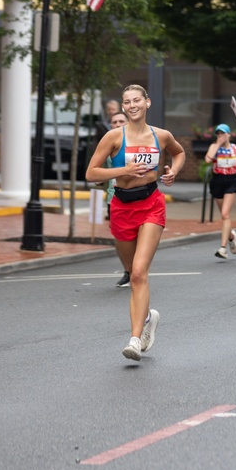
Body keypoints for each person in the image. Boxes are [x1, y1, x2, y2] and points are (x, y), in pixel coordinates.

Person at [85, 84, 185, 362]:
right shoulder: (113, 137)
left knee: (140, 273)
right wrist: (125, 170)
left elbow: (178, 153)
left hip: (152, 204)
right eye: (127, 101)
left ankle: (134, 339)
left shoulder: (161, 136)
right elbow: (92, 173)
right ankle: (149, 318)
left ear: (147, 103)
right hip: (121, 206)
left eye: (137, 100)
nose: (132, 105)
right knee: (132, 272)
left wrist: (172, 172)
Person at [205, 123, 236, 260]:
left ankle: (223, 248)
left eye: (223, 133)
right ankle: (231, 237)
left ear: (229, 134)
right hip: (217, 181)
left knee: (225, 214)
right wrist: (217, 144)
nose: (220, 136)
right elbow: (208, 159)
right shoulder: (214, 147)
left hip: (231, 182)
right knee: (224, 216)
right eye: (218, 134)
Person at [101, 110, 131, 288]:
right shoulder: (108, 144)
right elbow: (100, 169)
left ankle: (137, 269)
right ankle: (128, 270)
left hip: (135, 195)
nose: (118, 124)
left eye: (121, 121)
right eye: (114, 122)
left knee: (134, 236)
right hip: (113, 197)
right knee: (119, 237)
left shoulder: (135, 143)